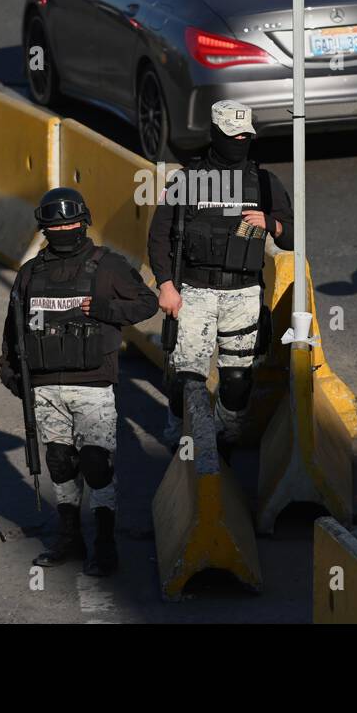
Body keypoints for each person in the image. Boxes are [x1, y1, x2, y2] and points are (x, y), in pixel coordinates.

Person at [0, 187, 159, 576]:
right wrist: (10, 371)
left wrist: (104, 309)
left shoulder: (108, 266)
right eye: (57, 225)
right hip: (45, 386)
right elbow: (13, 327)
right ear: (44, 229)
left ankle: (105, 544)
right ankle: (70, 538)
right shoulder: (30, 273)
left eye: (71, 223)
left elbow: (147, 303)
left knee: (96, 464)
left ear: (84, 223)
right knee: (58, 461)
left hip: (93, 384)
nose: (65, 229)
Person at [147, 100, 294, 452]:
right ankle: (179, 437)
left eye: (246, 135)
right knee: (186, 379)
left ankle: (225, 439)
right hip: (194, 293)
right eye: (233, 134)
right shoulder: (186, 179)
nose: (240, 140)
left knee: (237, 379)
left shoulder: (264, 182)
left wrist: (272, 225)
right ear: (215, 134)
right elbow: (158, 236)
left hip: (243, 295)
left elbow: (293, 235)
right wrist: (166, 286)